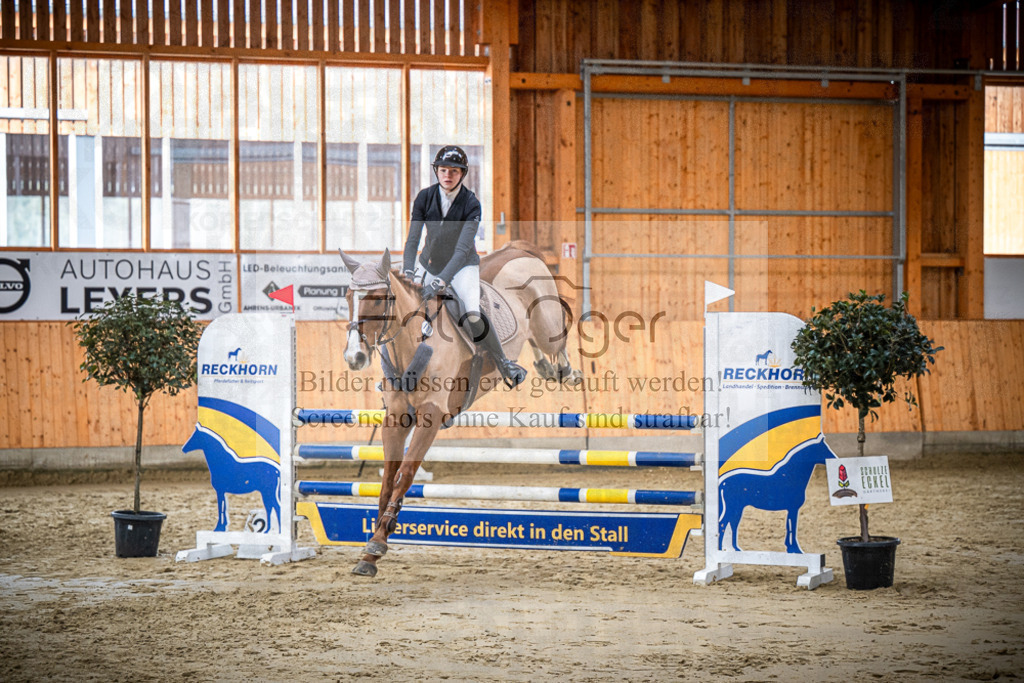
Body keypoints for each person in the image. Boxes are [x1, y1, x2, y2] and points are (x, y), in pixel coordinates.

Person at [402, 145, 526, 388]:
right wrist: (408, 272)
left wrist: (441, 281)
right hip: (428, 262)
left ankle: (504, 362)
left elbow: (461, 251)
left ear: (462, 174)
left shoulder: (471, 203)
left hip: (461, 267)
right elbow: (413, 240)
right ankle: (395, 369)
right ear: (436, 171)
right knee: (405, 308)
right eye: (444, 170)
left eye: (455, 171)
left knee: (472, 312)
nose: (448, 175)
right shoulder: (424, 198)